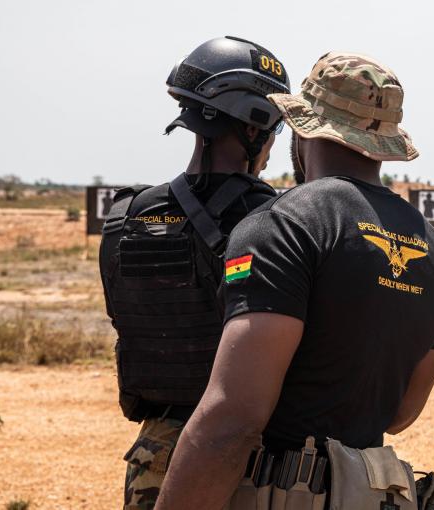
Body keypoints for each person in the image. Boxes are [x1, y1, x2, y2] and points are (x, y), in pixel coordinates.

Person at [156, 52, 434, 510]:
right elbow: (401, 414)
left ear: (303, 126)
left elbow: (232, 419)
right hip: (369, 493)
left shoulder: (282, 225)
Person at [97, 36, 289, 510]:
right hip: (258, 454)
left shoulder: (126, 216)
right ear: (255, 125)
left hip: (156, 455)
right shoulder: (280, 219)